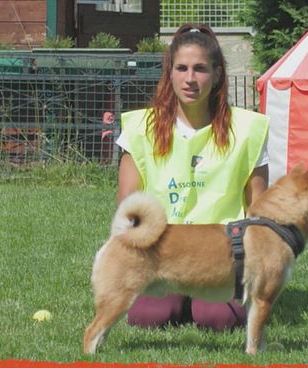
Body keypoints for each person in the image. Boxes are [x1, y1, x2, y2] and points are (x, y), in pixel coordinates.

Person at [115, 23, 270, 332]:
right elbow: (128, 209)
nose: (190, 78)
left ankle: (206, 300)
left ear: (217, 74)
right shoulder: (141, 128)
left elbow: (259, 211)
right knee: (147, 318)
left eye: (200, 69)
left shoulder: (248, 130)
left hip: (221, 257)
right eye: (181, 68)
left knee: (219, 319)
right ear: (169, 73)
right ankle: (179, 298)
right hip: (162, 254)